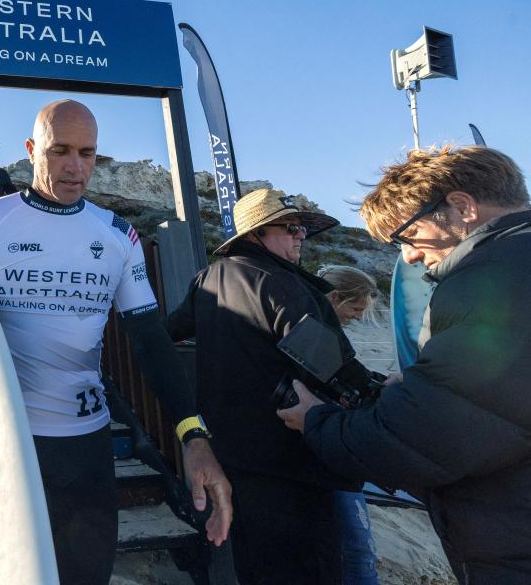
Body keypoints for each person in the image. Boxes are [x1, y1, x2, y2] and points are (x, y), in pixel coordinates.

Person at [0, 99, 232, 585]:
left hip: (86, 450)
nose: (75, 167)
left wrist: (192, 435)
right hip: (4, 445)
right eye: (60, 151)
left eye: (88, 154)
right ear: (32, 150)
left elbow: (150, 341)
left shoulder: (118, 235)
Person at [279, 145, 531, 584]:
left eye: (408, 235)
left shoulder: (488, 278)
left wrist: (315, 420)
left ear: (461, 206)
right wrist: (426, 385)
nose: (410, 256)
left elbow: (426, 438)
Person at [167, 187, 375, 585]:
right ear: (256, 234)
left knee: (257, 567)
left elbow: (165, 335)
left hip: (231, 457)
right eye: (291, 227)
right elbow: (333, 368)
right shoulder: (282, 285)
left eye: (302, 229)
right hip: (292, 458)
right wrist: (381, 400)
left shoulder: (207, 279)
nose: (301, 235)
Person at [317, 264, 382, 585]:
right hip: (328, 460)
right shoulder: (316, 335)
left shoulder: (323, 334)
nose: (357, 316)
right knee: (358, 550)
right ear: (334, 298)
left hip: (330, 455)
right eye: (355, 308)